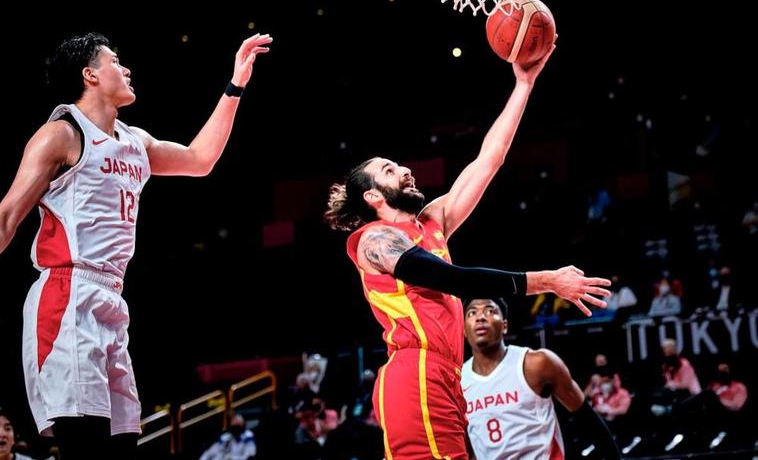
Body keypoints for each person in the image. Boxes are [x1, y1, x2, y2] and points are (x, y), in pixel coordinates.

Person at [324, 48, 612, 460]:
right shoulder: (373, 240)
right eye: (389, 170)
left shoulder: (431, 223)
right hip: (415, 371)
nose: (404, 170)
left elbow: (488, 160)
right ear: (372, 196)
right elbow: (451, 279)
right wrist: (547, 281)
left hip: (446, 375)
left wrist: (524, 84)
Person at [0, 32, 271, 459]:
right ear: (90, 75)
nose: (126, 69)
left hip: (112, 299)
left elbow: (200, 160)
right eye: (115, 61)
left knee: (123, 443)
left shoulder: (135, 141)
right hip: (67, 295)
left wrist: (235, 85)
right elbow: (7, 216)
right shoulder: (62, 133)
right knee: (84, 445)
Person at [461, 299, 620, 460]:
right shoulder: (458, 381)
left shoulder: (537, 363)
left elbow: (588, 419)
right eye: (472, 313)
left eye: (490, 311)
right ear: (464, 330)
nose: (480, 317)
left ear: (504, 326)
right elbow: (465, 446)